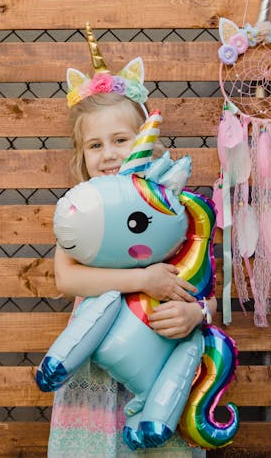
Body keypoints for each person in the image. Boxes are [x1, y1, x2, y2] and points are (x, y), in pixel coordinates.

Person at [46, 25, 216, 457]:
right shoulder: (84, 214)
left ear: (145, 141)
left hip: (159, 352)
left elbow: (212, 282)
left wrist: (197, 313)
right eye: (95, 145)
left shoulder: (170, 209)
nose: (109, 154)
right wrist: (144, 280)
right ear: (81, 155)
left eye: (121, 140)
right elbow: (66, 280)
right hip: (96, 356)